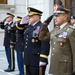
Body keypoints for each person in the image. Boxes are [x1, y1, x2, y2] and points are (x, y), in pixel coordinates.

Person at [39, 4, 75, 75]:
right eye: (54, 16)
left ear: (65, 17)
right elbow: (42, 37)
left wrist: (74, 70)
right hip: (55, 67)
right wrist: (45, 24)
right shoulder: (55, 30)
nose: (54, 18)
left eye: (57, 16)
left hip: (65, 70)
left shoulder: (71, 31)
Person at [16, 7, 50, 75]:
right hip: (28, 58)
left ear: (37, 17)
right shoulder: (29, 27)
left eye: (31, 16)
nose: (29, 18)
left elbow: (45, 44)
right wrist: (21, 24)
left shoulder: (42, 27)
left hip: (36, 60)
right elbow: (20, 37)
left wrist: (43, 59)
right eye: (29, 16)